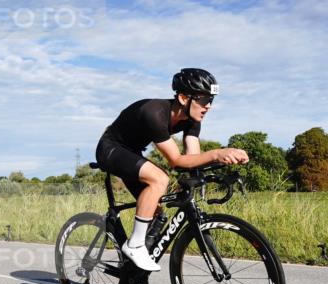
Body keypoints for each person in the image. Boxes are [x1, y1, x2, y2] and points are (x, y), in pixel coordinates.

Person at [95, 68, 249, 272]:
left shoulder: (193, 121)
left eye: (211, 100)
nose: (208, 106)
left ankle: (131, 272)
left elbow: (192, 160)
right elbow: (176, 160)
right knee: (159, 179)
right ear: (184, 97)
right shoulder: (155, 112)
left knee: (156, 213)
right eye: (203, 100)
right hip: (111, 148)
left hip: (133, 153)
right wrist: (217, 153)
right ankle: (134, 245)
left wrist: (220, 166)